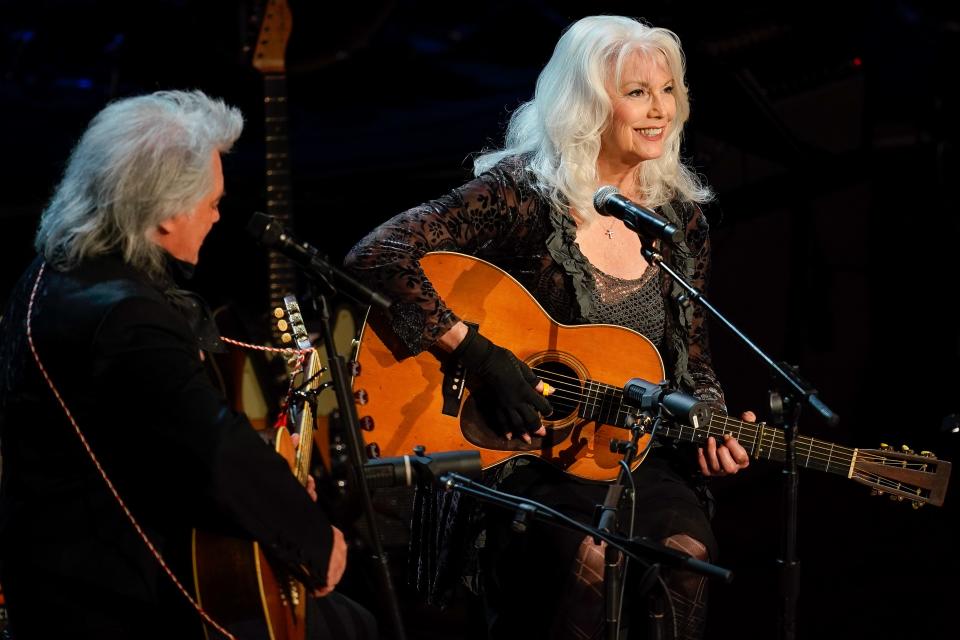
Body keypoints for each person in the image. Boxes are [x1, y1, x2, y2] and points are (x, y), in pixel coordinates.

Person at [344, 15, 756, 640]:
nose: (659, 111)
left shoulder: (680, 221)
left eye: (668, 89)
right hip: (516, 450)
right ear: (589, 103)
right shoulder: (524, 196)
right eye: (637, 92)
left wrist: (713, 421)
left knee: (685, 556)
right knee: (589, 560)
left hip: (626, 450)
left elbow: (691, 355)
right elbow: (377, 255)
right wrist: (478, 356)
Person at [0, 90, 376, 639]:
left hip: (65, 570)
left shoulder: (44, 276)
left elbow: (153, 445)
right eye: (212, 201)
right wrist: (313, 540)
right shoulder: (129, 319)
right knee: (353, 626)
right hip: (113, 597)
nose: (217, 214)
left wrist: (272, 491)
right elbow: (214, 450)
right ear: (165, 215)